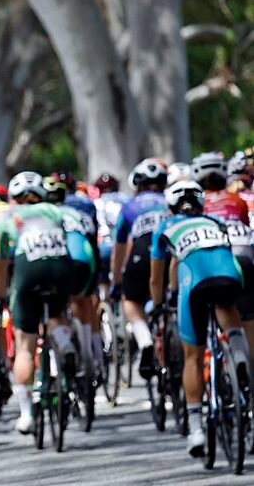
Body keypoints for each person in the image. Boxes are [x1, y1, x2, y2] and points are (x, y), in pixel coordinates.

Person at [150, 180, 252, 457]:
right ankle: (238, 354)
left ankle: (195, 429)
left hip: (194, 282)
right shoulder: (215, 221)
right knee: (226, 305)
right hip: (230, 274)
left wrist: (159, 304)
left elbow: (157, 278)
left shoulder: (165, 227)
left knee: (192, 357)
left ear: (172, 207)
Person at [0, 171, 75, 435]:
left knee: (25, 345)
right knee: (57, 316)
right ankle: (64, 342)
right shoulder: (54, 211)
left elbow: (0, 267)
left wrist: (0, 296)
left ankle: (27, 414)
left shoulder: (8, 218)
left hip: (28, 271)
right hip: (60, 266)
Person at [193, 152, 254, 366]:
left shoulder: (198, 203)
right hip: (245, 255)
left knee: (220, 302)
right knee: (248, 317)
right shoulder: (237, 200)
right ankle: (247, 366)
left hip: (219, 259)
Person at [111, 159, 169, 381]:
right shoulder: (170, 200)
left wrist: (117, 282)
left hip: (142, 251)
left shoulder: (129, 206)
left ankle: (145, 340)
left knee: (131, 301)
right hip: (170, 252)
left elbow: (119, 249)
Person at [44, 176, 99, 375]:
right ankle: (89, 353)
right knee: (82, 300)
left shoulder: (45, 214)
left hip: (60, 261)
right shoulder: (76, 212)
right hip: (86, 258)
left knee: (53, 310)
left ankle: (63, 348)